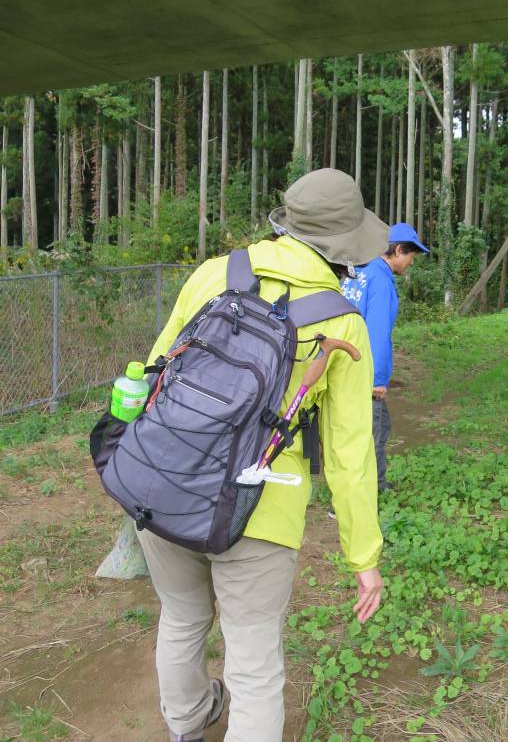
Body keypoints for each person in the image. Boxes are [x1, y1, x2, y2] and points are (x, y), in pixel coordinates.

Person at [137, 169, 386, 742]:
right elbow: (349, 452)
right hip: (260, 507)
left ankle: (188, 726)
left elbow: (157, 373)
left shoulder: (212, 274)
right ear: (343, 244)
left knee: (180, 620)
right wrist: (363, 556)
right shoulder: (340, 320)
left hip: (167, 481)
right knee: (251, 662)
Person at [340, 222, 429, 494]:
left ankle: (373, 486)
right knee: (371, 434)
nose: (410, 264)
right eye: (410, 257)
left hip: (343, 367)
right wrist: (377, 380)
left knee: (359, 432)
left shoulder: (358, 273)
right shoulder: (381, 279)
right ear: (398, 250)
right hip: (364, 372)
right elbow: (377, 333)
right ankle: (365, 494)